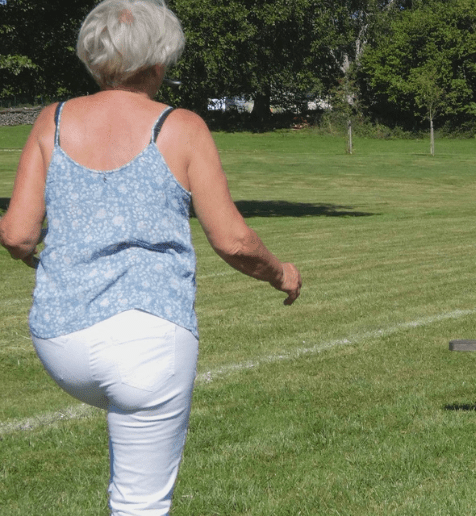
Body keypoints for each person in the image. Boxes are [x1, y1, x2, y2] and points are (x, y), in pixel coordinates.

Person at [0, 1, 301, 514]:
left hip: (60, 341)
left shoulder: (52, 120)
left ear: (93, 58)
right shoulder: (181, 127)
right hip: (148, 341)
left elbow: (17, 235)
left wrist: (35, 259)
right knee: (141, 503)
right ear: (159, 61)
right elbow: (232, 240)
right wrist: (281, 273)